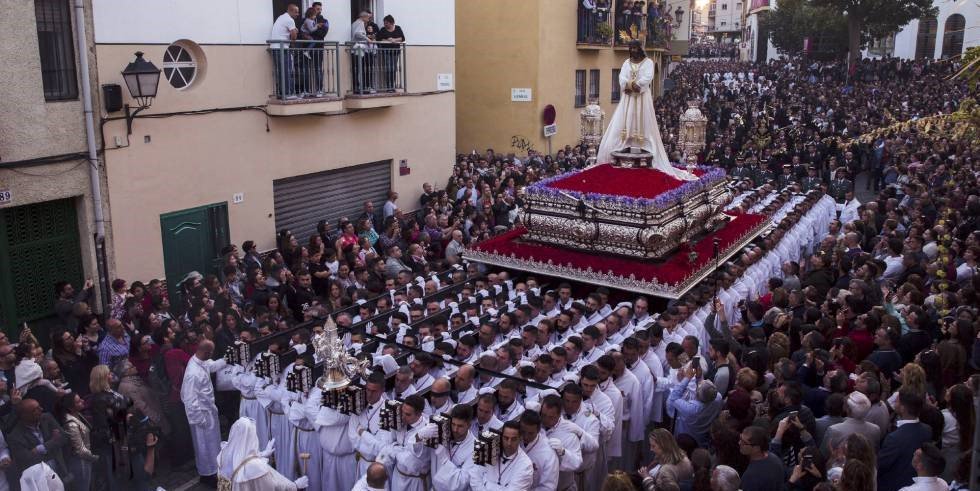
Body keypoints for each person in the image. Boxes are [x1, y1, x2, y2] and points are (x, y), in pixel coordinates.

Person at [596, 40, 696, 180]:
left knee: (641, 118)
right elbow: (622, 77)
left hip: (642, 96)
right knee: (627, 117)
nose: (633, 50)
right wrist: (628, 84)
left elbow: (648, 77)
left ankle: (642, 143)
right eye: (631, 48)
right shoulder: (626, 63)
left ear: (640, 49)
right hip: (629, 96)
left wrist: (638, 85)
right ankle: (626, 142)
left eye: (635, 48)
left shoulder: (648, 62)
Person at [180, 339, 227, 487]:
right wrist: (200, 419)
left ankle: (213, 470)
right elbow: (189, 399)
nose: (212, 355)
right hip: (201, 415)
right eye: (211, 353)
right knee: (204, 446)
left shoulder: (200, 362)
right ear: (206, 352)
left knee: (212, 444)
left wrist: (227, 359)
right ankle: (208, 474)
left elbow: (212, 366)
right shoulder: (193, 373)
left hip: (208, 411)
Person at [216, 417, 308, 490]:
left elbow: (239, 460)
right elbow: (274, 484)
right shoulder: (255, 466)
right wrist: (295, 485)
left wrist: (262, 454)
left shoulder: (223, 453)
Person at [7, 399, 67, 480]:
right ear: (25, 415)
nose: (41, 409)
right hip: (40, 480)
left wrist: (39, 449)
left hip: (61, 471)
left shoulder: (47, 418)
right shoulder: (15, 436)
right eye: (36, 409)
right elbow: (27, 459)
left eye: (39, 407)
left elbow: (64, 437)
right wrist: (53, 441)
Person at [467, 421, 533, 490]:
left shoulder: (526, 465)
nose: (509, 443)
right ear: (501, 437)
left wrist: (486, 483)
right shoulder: (487, 444)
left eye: (513, 439)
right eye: (506, 438)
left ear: (520, 439)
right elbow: (474, 475)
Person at [53, 393, 97, 491]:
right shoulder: (70, 423)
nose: (82, 400)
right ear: (71, 408)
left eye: (80, 398)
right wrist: (95, 458)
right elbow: (79, 448)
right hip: (79, 461)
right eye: (78, 401)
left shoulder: (79, 415)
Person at [738, 425, 785, 491]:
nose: (739, 443)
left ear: (756, 448)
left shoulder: (750, 477)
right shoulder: (774, 458)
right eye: (740, 438)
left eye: (744, 442)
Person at [269, 4, 300, 98]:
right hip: (282, 48)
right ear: (290, 10)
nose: (298, 14)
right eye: (296, 12)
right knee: (286, 71)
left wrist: (293, 30)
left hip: (275, 47)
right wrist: (294, 32)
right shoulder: (290, 20)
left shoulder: (281, 17)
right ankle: (288, 94)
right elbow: (294, 37)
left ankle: (282, 93)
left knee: (281, 71)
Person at [376, 15, 405, 92]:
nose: (385, 24)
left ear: (391, 22)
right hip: (386, 52)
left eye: (386, 23)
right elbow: (378, 38)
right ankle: (389, 87)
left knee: (393, 69)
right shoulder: (383, 30)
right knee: (388, 68)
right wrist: (388, 39)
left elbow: (402, 38)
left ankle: (392, 86)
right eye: (384, 23)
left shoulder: (398, 28)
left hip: (395, 52)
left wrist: (394, 40)